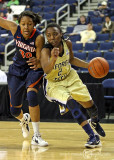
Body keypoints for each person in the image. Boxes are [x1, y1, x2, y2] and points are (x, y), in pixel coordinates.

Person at [40, 23, 106, 148]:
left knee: (90, 105)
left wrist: (90, 66)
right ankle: (93, 136)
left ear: (61, 34)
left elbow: (71, 59)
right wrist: (53, 59)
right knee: (72, 103)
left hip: (70, 76)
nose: (52, 38)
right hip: (54, 83)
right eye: (48, 35)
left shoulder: (67, 43)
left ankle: (95, 122)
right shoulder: (46, 50)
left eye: (55, 34)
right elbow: (46, 70)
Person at [0, 10, 48, 147]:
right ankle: (23, 119)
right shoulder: (14, 29)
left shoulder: (38, 37)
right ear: (19, 24)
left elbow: (39, 60)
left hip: (32, 70)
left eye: (29, 24)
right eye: (23, 24)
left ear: (34, 25)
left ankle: (37, 136)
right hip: (16, 70)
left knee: (31, 95)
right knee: (14, 111)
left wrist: (38, 61)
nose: (26, 27)